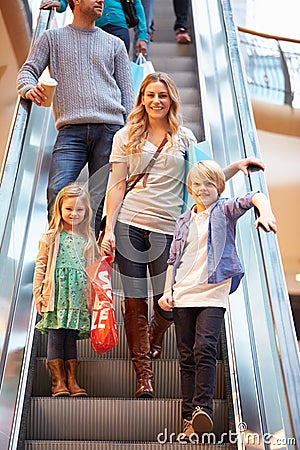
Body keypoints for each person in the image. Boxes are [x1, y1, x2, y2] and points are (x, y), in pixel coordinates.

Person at [100, 71, 265, 399]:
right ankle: (144, 375)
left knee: (171, 300)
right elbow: (117, 185)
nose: (156, 101)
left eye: (162, 95)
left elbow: (206, 178)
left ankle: (156, 339)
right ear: (141, 99)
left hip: (169, 229)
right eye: (150, 95)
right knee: (134, 304)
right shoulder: (125, 136)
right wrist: (108, 227)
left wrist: (235, 167)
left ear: (171, 99)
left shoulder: (184, 137)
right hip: (129, 224)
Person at [158, 160, 277, 441]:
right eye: (196, 185)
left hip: (213, 291)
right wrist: (167, 291)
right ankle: (190, 421)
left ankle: (203, 409)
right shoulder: (184, 220)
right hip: (183, 292)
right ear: (189, 188)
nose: (202, 189)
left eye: (209, 184)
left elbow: (254, 197)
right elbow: (173, 259)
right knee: (186, 357)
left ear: (219, 187)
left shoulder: (224, 209)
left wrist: (266, 213)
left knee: (205, 348)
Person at [17, 0, 134, 238]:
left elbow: (127, 95)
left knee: (100, 199)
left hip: (111, 130)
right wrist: (29, 89)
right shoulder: (52, 38)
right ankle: (60, 251)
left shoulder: (116, 44)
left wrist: (130, 133)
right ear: (76, 1)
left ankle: (89, 257)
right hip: (70, 131)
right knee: (57, 190)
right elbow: (27, 72)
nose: (101, 0)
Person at [33, 183, 100, 397]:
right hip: (56, 295)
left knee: (70, 339)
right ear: (60, 209)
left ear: (86, 211)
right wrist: (38, 296)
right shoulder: (51, 238)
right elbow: (41, 267)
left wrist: (94, 299)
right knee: (55, 337)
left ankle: (72, 380)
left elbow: (97, 270)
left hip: (79, 297)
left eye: (79, 209)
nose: (74, 214)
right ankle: (57, 382)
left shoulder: (89, 240)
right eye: (69, 209)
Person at [43, 0, 148, 55]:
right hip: (94, 30)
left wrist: (142, 36)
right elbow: (65, 3)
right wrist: (59, 4)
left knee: (119, 70)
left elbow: (137, 5)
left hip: (119, 28)